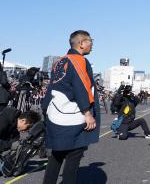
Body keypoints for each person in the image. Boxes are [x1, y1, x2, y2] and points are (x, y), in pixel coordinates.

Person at [42, 30, 100, 184]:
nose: (92, 44)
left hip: (55, 112)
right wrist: (87, 113)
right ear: (81, 43)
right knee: (74, 155)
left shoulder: (60, 61)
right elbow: (81, 87)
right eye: (90, 41)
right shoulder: (79, 60)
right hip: (72, 115)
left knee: (56, 155)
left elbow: (51, 87)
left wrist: (44, 109)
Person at [0, 108, 40, 177]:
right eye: (28, 127)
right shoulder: (0, 121)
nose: (26, 131)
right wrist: (10, 145)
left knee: (7, 166)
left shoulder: (14, 125)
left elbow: (14, 140)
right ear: (23, 121)